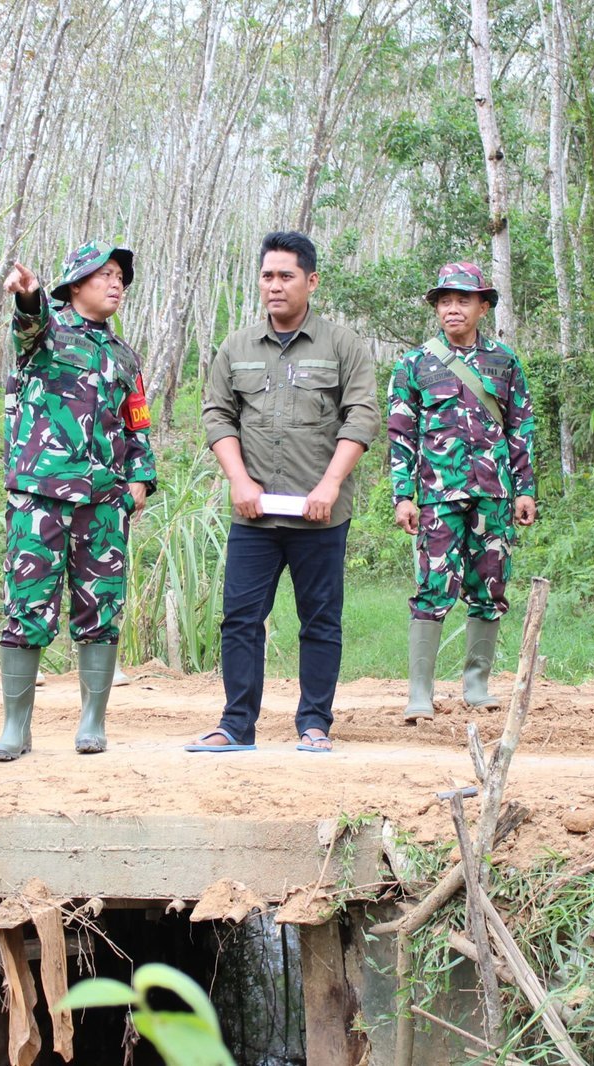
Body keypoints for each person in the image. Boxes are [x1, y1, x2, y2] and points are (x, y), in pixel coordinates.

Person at [188, 231, 378, 753]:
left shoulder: (343, 346)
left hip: (320, 514)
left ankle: (315, 723)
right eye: (268, 275)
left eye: (286, 276)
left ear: (311, 281)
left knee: (320, 620)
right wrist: (239, 480)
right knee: (241, 619)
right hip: (254, 515)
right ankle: (235, 725)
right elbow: (217, 414)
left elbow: (361, 416)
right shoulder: (237, 346)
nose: (275, 286)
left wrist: (331, 484)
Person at [0, 240, 157, 761]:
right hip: (41, 495)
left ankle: (92, 721)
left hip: (104, 502)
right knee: (28, 606)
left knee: (101, 608)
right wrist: (30, 297)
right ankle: (16, 728)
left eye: (121, 278)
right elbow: (29, 323)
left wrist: (140, 479)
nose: (116, 284)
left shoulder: (124, 355)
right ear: (76, 283)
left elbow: (137, 422)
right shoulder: (47, 335)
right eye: (105, 274)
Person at [388, 262, 536, 723]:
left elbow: (521, 426)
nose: (453, 309)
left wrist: (524, 489)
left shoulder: (504, 361)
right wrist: (403, 496)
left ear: (483, 306)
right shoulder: (414, 364)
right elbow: (400, 434)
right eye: (445, 301)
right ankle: (420, 694)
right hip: (436, 496)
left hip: (493, 494)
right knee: (432, 588)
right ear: (436, 308)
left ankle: (477, 685)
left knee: (490, 586)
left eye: (463, 300)